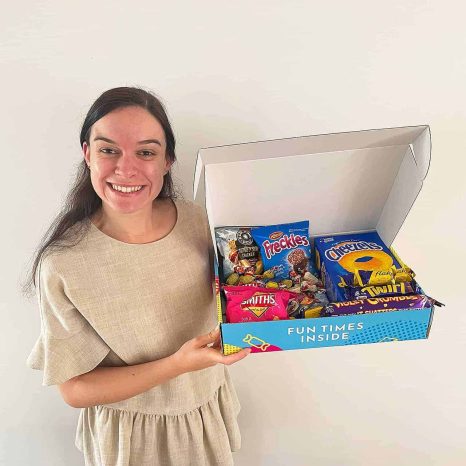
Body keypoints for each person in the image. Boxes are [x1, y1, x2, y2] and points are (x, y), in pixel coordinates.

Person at [25, 86, 251, 466]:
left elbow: (239, 293)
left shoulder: (198, 220)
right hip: (130, 438)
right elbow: (75, 388)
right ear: (87, 155)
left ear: (167, 161)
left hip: (205, 410)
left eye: (146, 152)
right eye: (108, 149)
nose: (125, 169)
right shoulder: (64, 263)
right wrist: (176, 365)